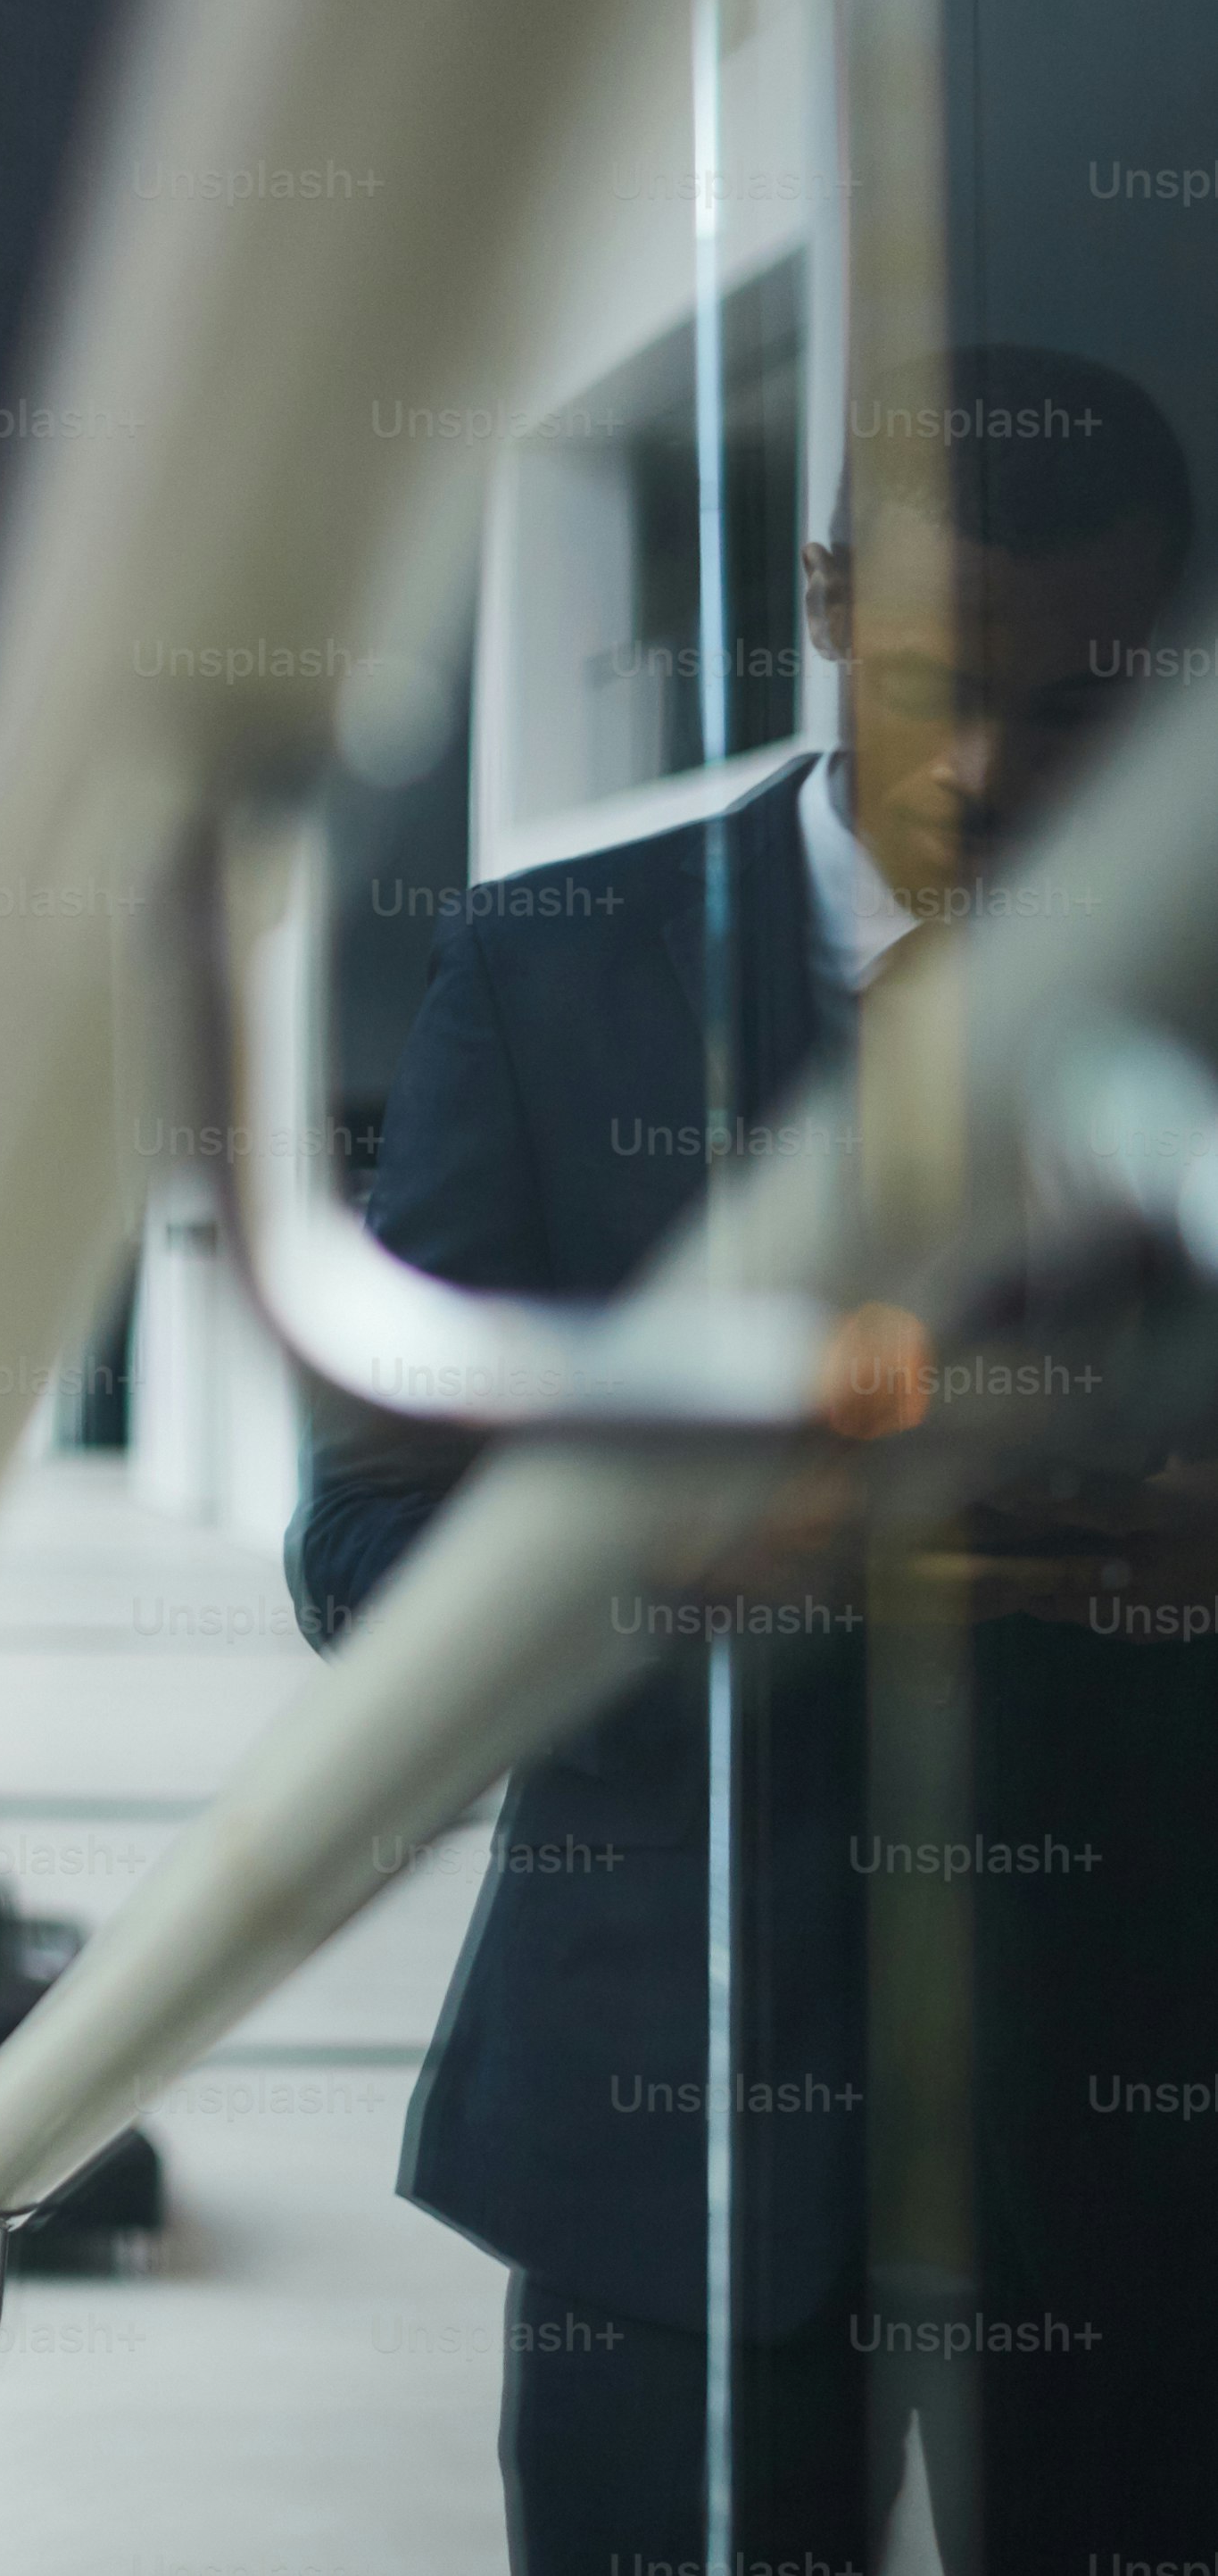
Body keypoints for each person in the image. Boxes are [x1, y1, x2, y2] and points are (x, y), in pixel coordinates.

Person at [293, 345, 1204, 2570]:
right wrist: (703, 1564)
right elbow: (369, 1557)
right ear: (819, 601)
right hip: (670, 2135)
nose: (991, 774)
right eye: (937, 688)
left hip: (1154, 2156)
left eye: (1076, 705)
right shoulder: (546, 977)